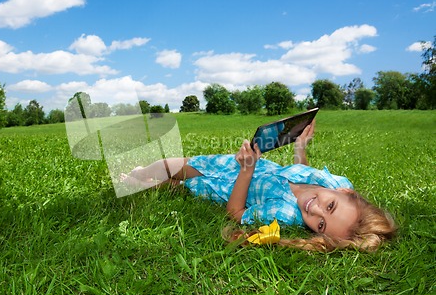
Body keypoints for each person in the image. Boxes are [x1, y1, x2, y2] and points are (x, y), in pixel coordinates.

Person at [121, 120, 396, 252]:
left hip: (230, 184)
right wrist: (301, 147)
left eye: (320, 225)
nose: (315, 211)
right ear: (345, 192)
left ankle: (141, 181)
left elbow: (235, 213)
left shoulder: (285, 213)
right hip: (241, 165)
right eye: (330, 206)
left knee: (176, 181)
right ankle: (142, 173)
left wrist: (247, 170)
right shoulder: (335, 181)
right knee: (170, 165)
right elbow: (305, 170)